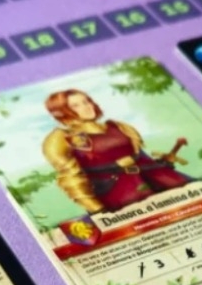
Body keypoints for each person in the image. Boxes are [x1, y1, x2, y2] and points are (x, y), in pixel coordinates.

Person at [42, 89, 189, 214]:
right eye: (76, 105)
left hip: (155, 177)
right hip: (118, 191)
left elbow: (141, 157)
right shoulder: (62, 138)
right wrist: (98, 210)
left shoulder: (118, 126)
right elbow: (71, 178)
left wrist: (162, 163)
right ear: (63, 112)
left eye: (86, 102)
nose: (86, 107)